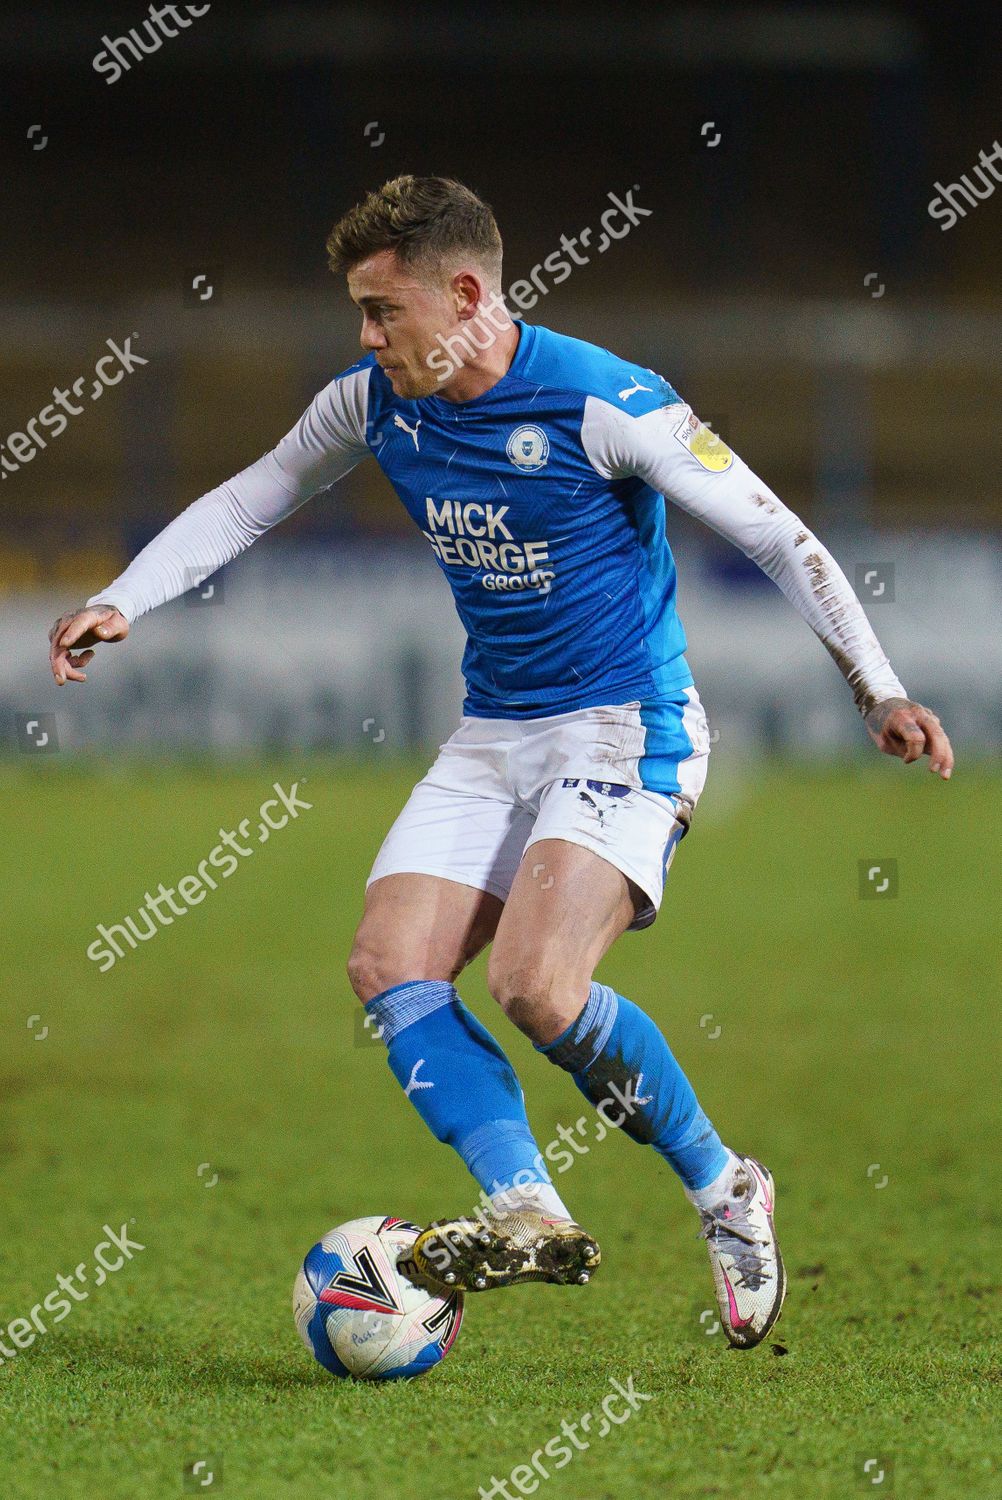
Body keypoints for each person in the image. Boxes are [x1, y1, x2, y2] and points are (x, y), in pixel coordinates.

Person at [49, 176, 954, 1349]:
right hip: (493, 735)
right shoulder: (374, 404)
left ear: (466, 294)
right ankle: (525, 1201)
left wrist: (874, 687)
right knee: (388, 965)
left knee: (534, 987)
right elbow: (251, 496)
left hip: (627, 729)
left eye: (384, 311)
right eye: (361, 315)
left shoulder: (604, 401)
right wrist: (124, 600)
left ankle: (727, 1189)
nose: (367, 338)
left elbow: (780, 536)